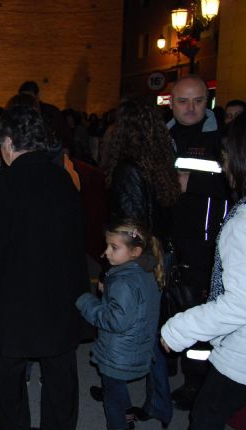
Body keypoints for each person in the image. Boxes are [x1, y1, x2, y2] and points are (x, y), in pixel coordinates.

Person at [0, 104, 89, 430]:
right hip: (61, 291)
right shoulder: (65, 179)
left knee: (9, 371)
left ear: (8, 143)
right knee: (59, 371)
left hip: (17, 295)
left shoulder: (1, 184)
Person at [98, 96, 181, 427]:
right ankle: (158, 402)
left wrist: (113, 268)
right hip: (159, 252)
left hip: (140, 257)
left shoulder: (129, 167)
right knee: (152, 330)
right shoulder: (160, 160)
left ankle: (122, 400)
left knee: (129, 331)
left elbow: (130, 226)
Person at [161, 113, 246, 430]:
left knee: (207, 416)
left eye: (226, 159)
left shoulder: (242, 226)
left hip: (240, 353)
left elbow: (239, 303)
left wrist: (178, 329)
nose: (224, 168)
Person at [167, 75, 230, 410]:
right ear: (172, 101)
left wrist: (193, 183)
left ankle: (196, 382)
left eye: (198, 101)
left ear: (208, 101)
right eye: (183, 101)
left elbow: (235, 186)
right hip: (168, 236)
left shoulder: (222, 138)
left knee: (199, 310)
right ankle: (162, 369)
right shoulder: (164, 135)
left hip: (205, 242)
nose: (191, 108)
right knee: (166, 303)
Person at [77, 220, 163, 430]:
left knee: (112, 401)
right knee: (114, 388)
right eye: (107, 246)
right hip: (135, 348)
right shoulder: (145, 272)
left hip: (117, 355)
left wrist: (87, 302)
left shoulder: (124, 282)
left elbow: (115, 320)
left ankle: (120, 423)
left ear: (135, 251)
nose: (106, 252)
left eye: (114, 247)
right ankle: (128, 415)